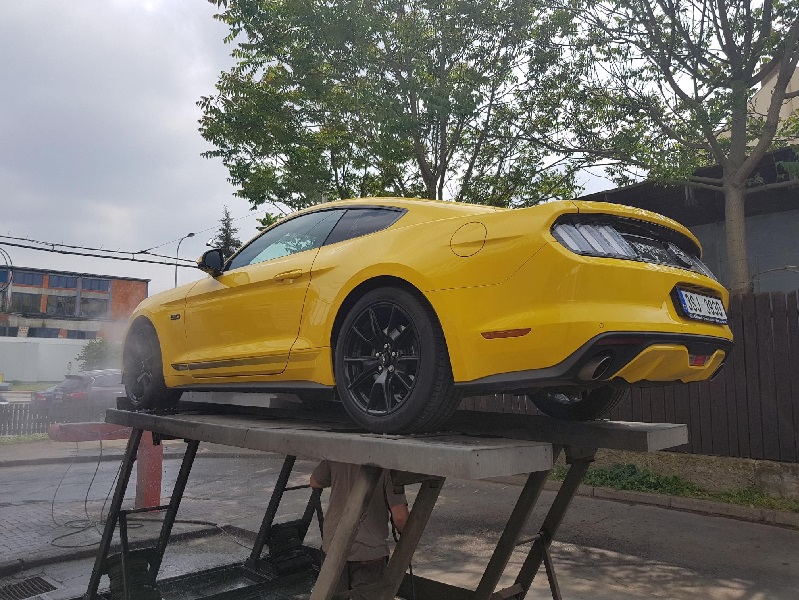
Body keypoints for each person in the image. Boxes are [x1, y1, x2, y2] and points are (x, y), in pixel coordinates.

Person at [310, 460, 409, 599]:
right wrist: (407, 535)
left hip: (334, 546)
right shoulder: (387, 462)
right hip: (369, 552)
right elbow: (400, 517)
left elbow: (314, 481)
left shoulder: (338, 454)